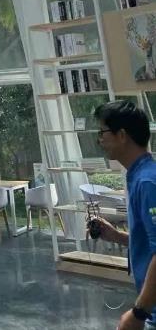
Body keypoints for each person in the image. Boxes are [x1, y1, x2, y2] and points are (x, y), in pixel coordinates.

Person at [92, 101, 156, 329]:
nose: (100, 140)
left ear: (121, 135)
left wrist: (138, 313)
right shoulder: (139, 176)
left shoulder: (147, 182)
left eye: (102, 133)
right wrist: (117, 236)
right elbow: (150, 243)